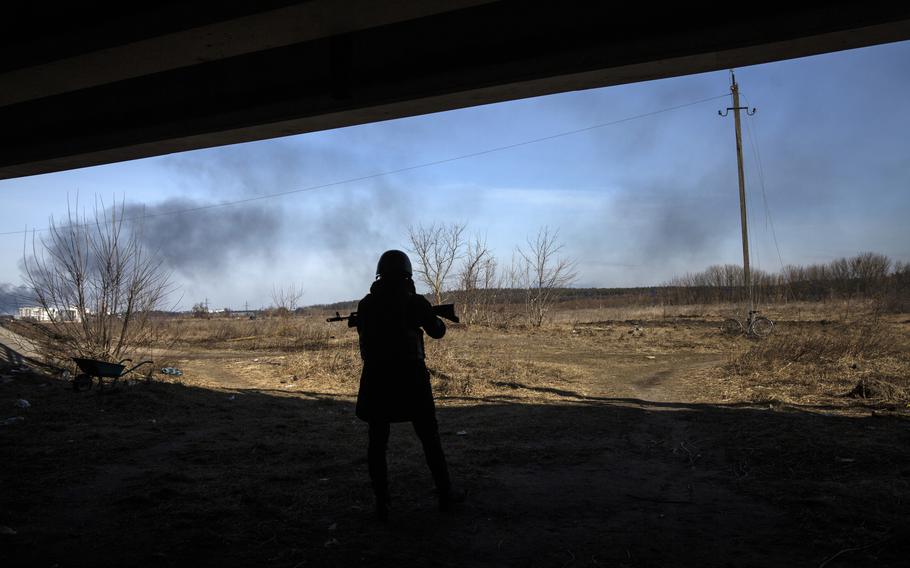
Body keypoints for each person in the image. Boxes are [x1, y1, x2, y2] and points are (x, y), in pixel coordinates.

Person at [354, 249, 460, 520]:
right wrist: (428, 316)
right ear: (407, 274)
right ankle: (446, 495)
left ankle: (382, 502)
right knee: (430, 440)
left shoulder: (366, 304)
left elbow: (365, 333)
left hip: (377, 381)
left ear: (380, 273)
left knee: (377, 444)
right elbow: (438, 331)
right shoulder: (414, 303)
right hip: (411, 380)